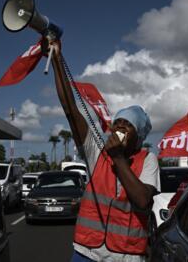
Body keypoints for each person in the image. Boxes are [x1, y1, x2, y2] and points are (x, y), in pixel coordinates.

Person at [48, 40, 160, 262]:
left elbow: (142, 200)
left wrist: (118, 157)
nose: (119, 127)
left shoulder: (148, 160)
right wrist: (57, 60)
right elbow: (70, 109)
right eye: (117, 122)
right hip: (86, 251)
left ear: (139, 138)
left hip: (125, 256)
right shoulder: (97, 152)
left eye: (127, 125)